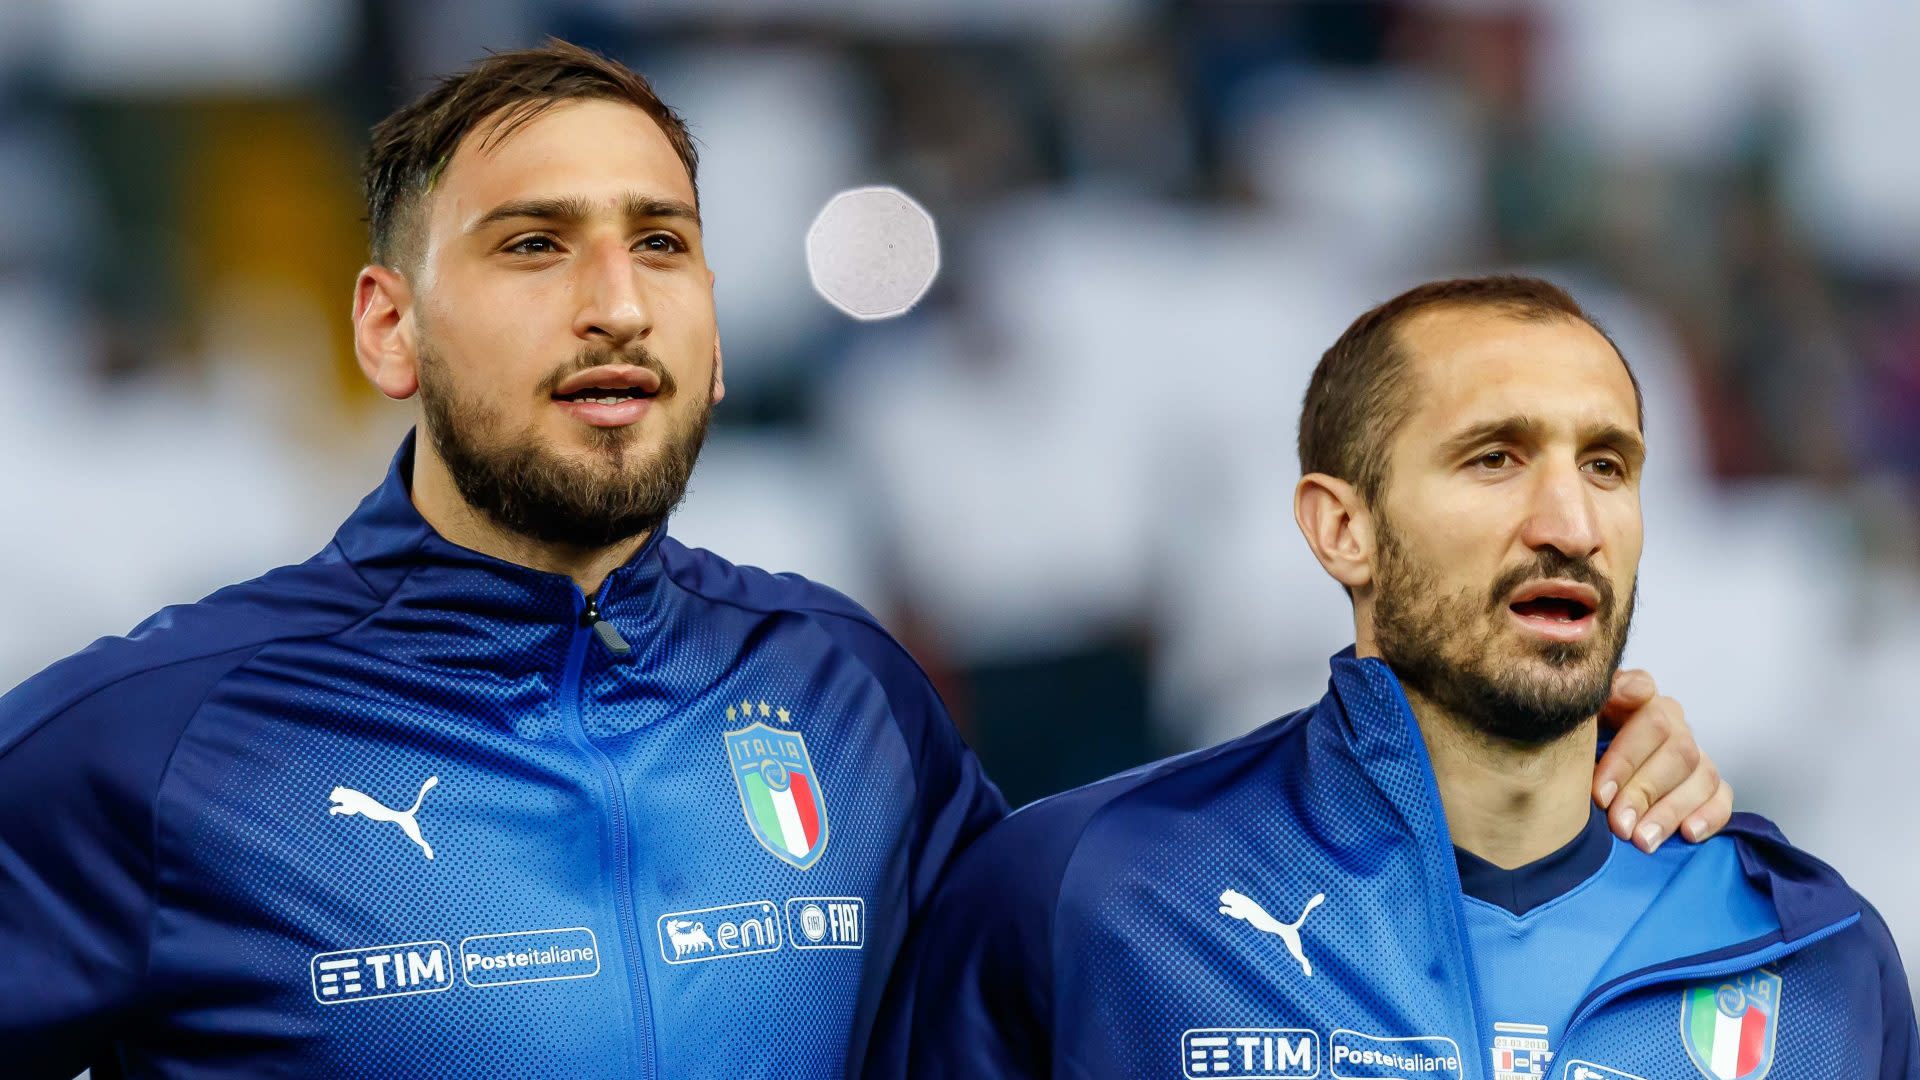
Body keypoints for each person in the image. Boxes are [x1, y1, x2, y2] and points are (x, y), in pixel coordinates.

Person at [0, 42, 1724, 1079]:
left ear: (715, 336)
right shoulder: (153, 747)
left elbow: (1134, 940)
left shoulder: (845, 696)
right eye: (533, 246)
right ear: (388, 327)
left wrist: (1532, 770)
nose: (614, 302)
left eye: (662, 246)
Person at [869, 276, 1917, 1080]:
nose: (1570, 524)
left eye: (1606, 466)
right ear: (1343, 528)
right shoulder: (1078, 896)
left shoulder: (1817, 958)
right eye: (1493, 458)